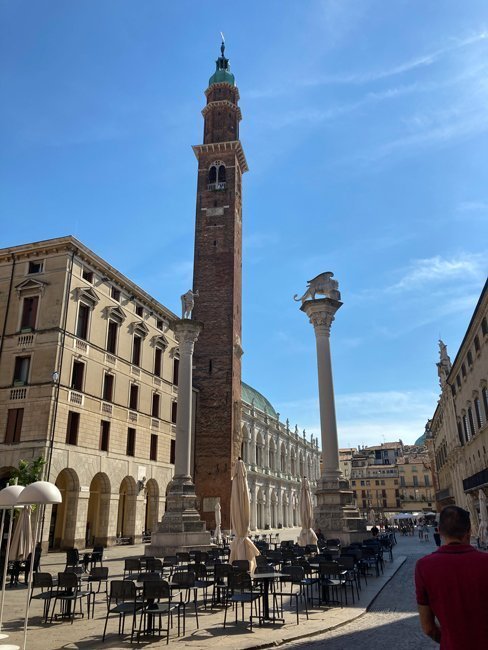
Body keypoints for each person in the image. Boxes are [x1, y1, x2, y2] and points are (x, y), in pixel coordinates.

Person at [415, 505, 488, 648]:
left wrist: (450, 640)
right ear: (469, 530)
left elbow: (428, 627)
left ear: (440, 531)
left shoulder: (424, 567)